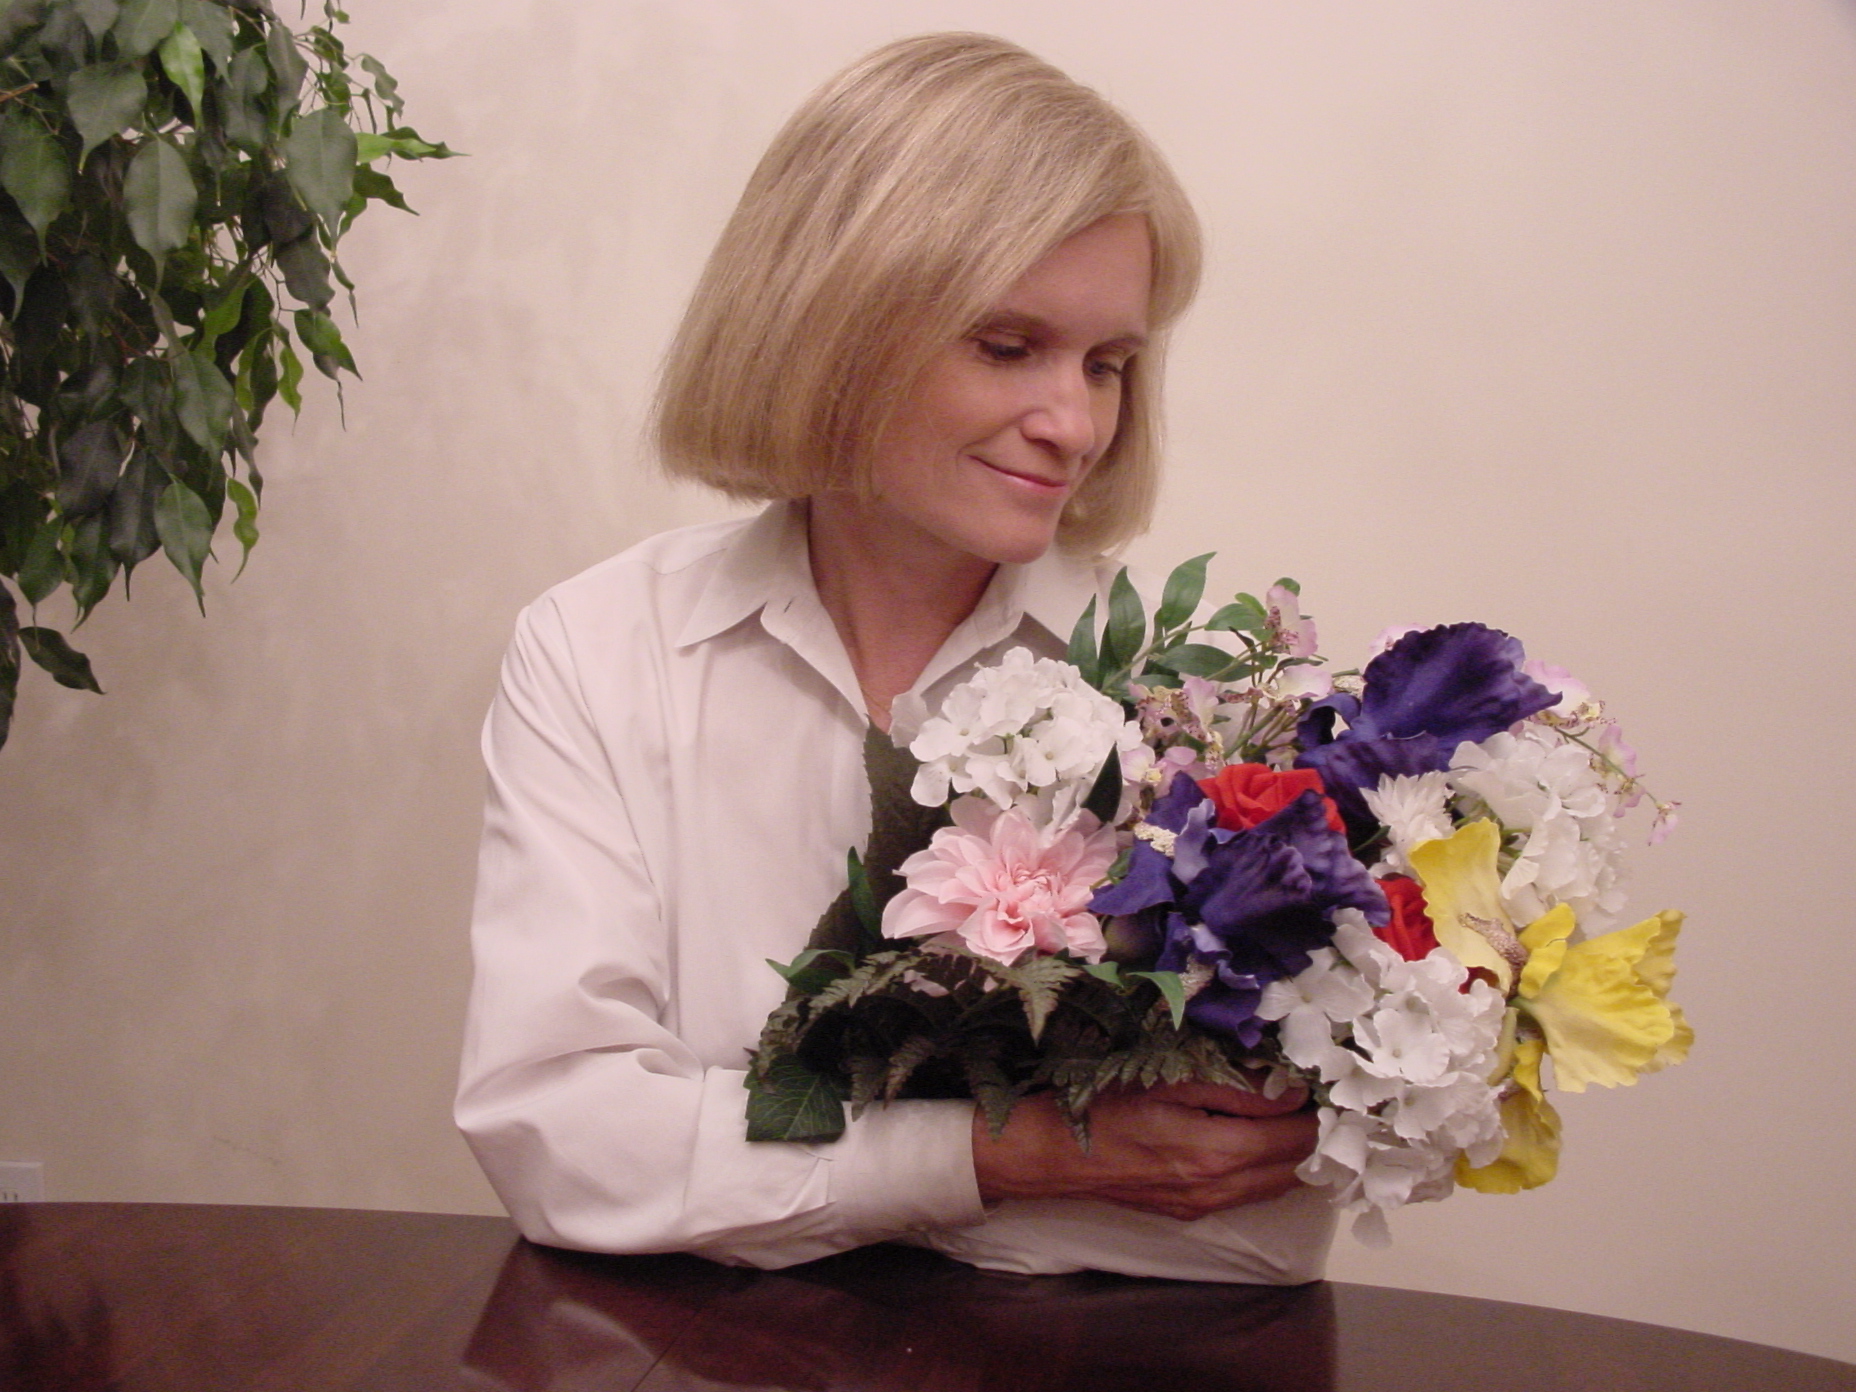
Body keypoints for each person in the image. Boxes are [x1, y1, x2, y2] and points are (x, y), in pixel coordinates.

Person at [456, 32, 1334, 1281]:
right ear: (829, 327)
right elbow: (560, 1136)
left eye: (1106, 366)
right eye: (1005, 346)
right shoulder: (602, 650)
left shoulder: (1189, 700)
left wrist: (738, 1170)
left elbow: (1247, 1211)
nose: (1073, 425)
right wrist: (1017, 1157)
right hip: (688, 1352)